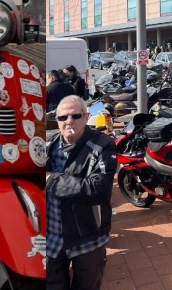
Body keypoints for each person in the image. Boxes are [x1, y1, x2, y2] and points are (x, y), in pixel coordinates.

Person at [46, 96, 116, 290]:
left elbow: (98, 189)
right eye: (63, 117)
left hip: (87, 238)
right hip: (51, 236)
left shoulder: (103, 145)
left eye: (75, 115)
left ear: (86, 117)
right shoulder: (49, 146)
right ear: (57, 120)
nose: (69, 121)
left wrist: (51, 179)